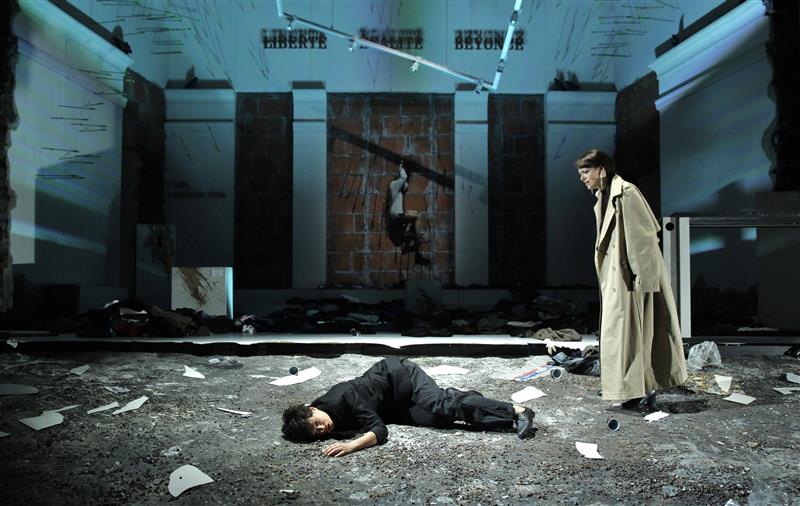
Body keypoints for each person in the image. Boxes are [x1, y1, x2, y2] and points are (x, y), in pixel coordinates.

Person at [574, 149, 687, 407]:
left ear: (602, 170)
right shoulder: (604, 195)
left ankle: (638, 390)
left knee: (636, 335)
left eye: (586, 171)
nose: (582, 178)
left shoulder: (626, 193)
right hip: (620, 276)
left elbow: (644, 239)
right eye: (581, 173)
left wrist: (643, 282)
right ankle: (628, 389)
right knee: (623, 336)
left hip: (632, 277)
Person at [282, 357, 536, 457]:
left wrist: (351, 446)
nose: (323, 429)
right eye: (317, 433)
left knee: (439, 403)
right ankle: (469, 401)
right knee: (439, 419)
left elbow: (379, 431)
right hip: (392, 405)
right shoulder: (319, 411)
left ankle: (516, 411)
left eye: (318, 424)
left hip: (400, 377)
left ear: (312, 409)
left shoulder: (343, 398)